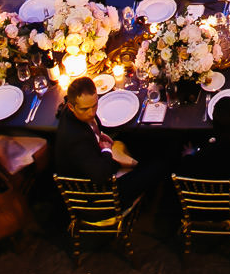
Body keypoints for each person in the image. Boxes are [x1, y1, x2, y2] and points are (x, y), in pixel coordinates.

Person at [54, 76, 168, 208]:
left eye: (95, 105)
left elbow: (93, 130)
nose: (91, 113)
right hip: (100, 196)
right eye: (85, 109)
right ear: (71, 106)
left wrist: (101, 136)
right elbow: (101, 175)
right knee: (159, 165)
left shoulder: (76, 113)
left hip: (98, 163)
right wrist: (107, 151)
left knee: (151, 143)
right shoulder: (75, 140)